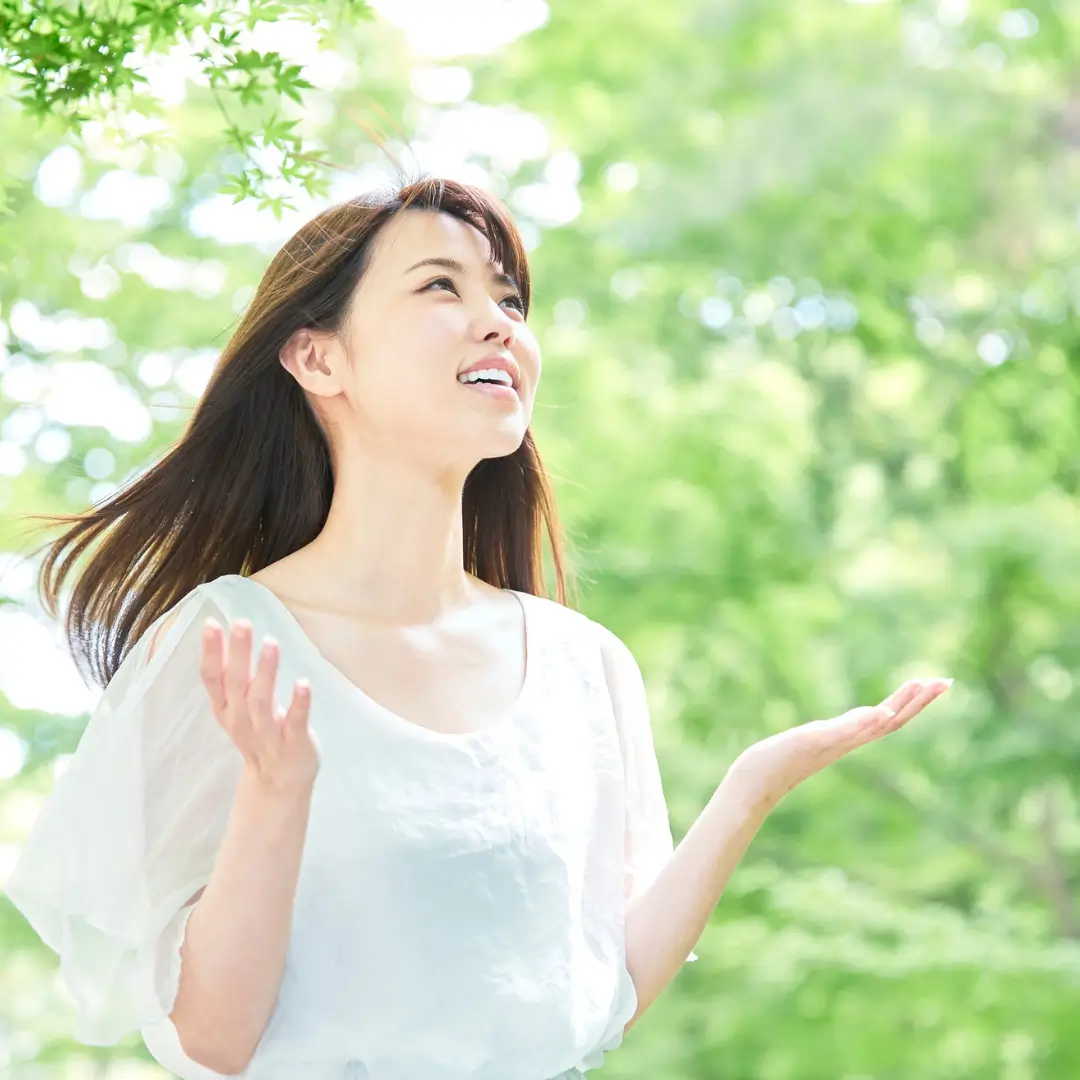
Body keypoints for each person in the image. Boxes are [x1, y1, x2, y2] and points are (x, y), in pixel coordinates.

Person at [7, 177, 952, 1080]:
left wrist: (750, 788)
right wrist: (276, 791)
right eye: (439, 287)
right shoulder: (229, 642)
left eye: (508, 298)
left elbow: (607, 988)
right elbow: (214, 1035)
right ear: (317, 357)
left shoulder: (583, 664)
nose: (498, 320)